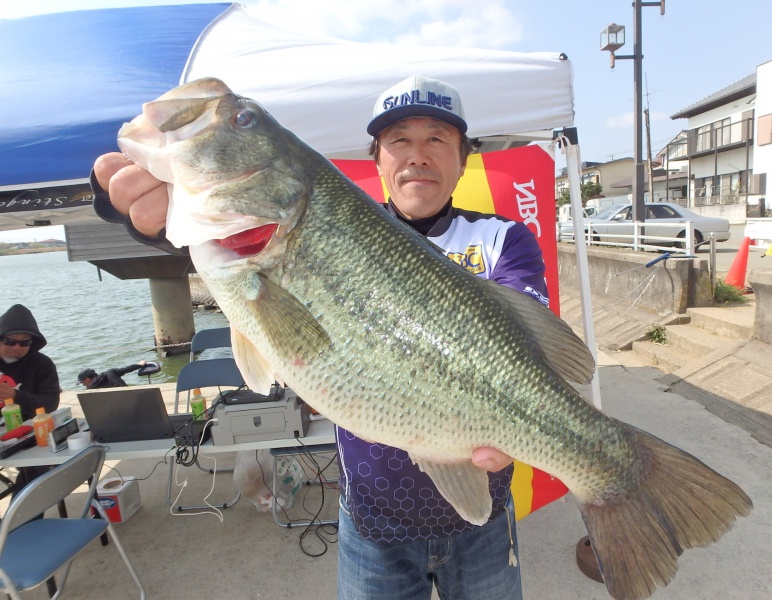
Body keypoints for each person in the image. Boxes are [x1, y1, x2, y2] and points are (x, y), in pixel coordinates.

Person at [91, 75, 549, 600]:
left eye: (437, 139)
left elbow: (530, 354)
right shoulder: (324, 222)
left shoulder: (504, 238)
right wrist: (133, 207)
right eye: (399, 140)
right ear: (376, 158)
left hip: (482, 518)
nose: (417, 155)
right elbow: (185, 233)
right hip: (371, 520)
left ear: (463, 159)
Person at [0, 304, 61, 491]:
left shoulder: (41, 364)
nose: (17, 347)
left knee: (41, 468)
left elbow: (50, 403)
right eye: (10, 341)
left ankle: (19, 518)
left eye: (24, 343)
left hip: (25, 432)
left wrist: (16, 395)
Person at [78, 360, 147, 389]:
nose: (82, 384)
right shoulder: (110, 372)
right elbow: (126, 369)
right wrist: (139, 365)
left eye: (81, 382)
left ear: (87, 379)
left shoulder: (90, 391)